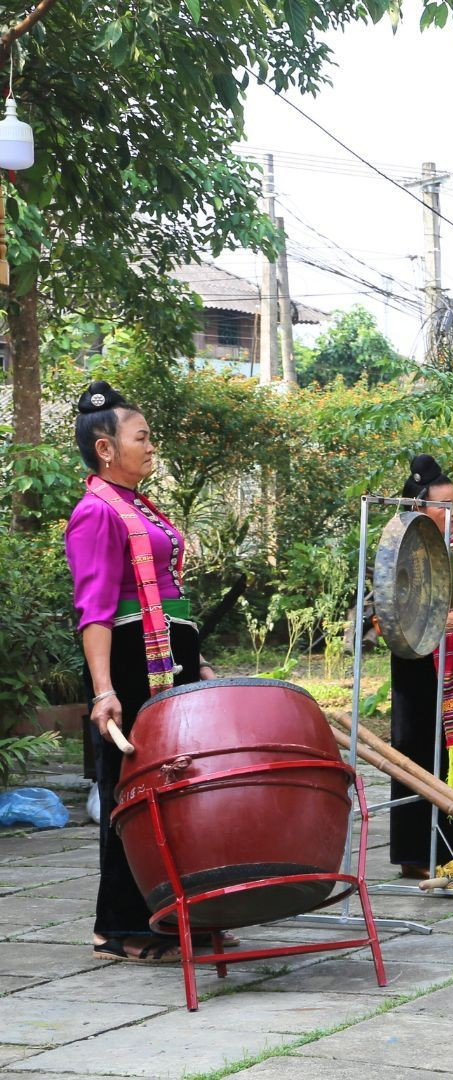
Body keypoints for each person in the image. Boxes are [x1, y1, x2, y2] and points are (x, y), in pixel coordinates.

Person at [67, 381, 218, 963]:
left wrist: (195, 660)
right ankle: (120, 925)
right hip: (128, 663)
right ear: (107, 449)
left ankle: (177, 910)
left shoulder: (138, 507)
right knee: (130, 789)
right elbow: (96, 607)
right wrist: (103, 691)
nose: (152, 447)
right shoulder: (95, 513)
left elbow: (170, 596)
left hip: (168, 656)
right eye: (143, 437)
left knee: (176, 785)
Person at [386, 453, 453, 878]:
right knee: (416, 755)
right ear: (417, 507)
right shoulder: (397, 550)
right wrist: (438, 621)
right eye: (444, 505)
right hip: (416, 665)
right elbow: (389, 614)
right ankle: (415, 855)